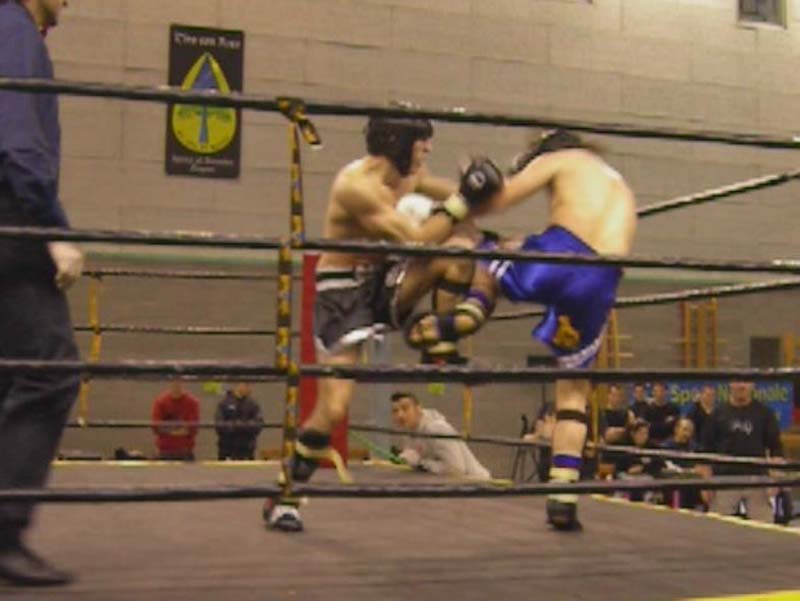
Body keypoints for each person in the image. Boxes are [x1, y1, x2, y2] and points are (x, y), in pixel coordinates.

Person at [264, 116, 500, 532]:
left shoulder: (410, 175)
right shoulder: (356, 186)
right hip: (343, 293)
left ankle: (436, 346)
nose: (427, 150)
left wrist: (483, 190)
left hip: (385, 278)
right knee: (333, 408)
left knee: (462, 250)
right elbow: (417, 239)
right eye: (421, 144)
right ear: (399, 144)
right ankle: (286, 495)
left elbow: (453, 198)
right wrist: (464, 201)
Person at [405, 129, 637, 530]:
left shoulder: (560, 159)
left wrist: (433, 184)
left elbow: (496, 200)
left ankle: (455, 325)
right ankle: (563, 496)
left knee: (479, 243)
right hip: (603, 282)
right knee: (573, 391)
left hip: (562, 255)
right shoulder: (618, 184)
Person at [0, 0, 80, 587]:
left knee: (9, 374)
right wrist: (53, 231)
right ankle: (4, 532)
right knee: (49, 369)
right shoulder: (14, 30)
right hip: (12, 219)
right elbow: (18, 141)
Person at [701, 381, 791, 524]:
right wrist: (706, 484)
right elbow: (705, 450)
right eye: (738, 382)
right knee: (716, 527)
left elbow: (775, 449)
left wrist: (774, 480)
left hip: (757, 479)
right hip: (724, 479)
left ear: (753, 385)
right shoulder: (717, 414)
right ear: (730, 384)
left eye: (746, 382)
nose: (741, 386)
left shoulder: (765, 413)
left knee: (765, 528)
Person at [390, 392, 490, 480]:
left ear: (418, 409)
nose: (400, 415)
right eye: (395, 411)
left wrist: (421, 463)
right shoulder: (409, 432)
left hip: (478, 486)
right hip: (451, 487)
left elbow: (456, 469)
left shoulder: (436, 428)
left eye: (405, 408)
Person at [151, 381, 200, 461]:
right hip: (164, 452)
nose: (176, 387)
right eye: (174, 384)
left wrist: (167, 429)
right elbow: (156, 427)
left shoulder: (192, 402)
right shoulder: (161, 402)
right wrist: (180, 429)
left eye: (178, 384)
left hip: (185, 452)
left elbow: (192, 429)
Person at [215, 382, 263, 460]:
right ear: (237, 385)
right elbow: (219, 424)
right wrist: (236, 426)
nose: (248, 388)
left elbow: (258, 424)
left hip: (247, 448)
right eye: (245, 385)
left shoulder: (253, 404)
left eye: (248, 386)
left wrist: (242, 426)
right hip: (227, 447)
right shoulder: (224, 403)